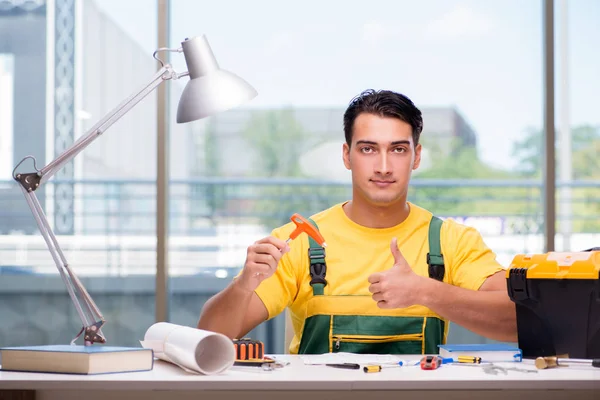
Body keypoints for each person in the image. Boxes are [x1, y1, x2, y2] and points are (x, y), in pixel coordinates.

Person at [197, 89, 517, 354]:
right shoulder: (298, 243)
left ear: (416, 156)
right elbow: (211, 339)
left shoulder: (452, 240)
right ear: (347, 156)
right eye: (368, 149)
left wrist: (426, 292)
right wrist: (243, 286)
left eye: (398, 150)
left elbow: (517, 321)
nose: (383, 166)